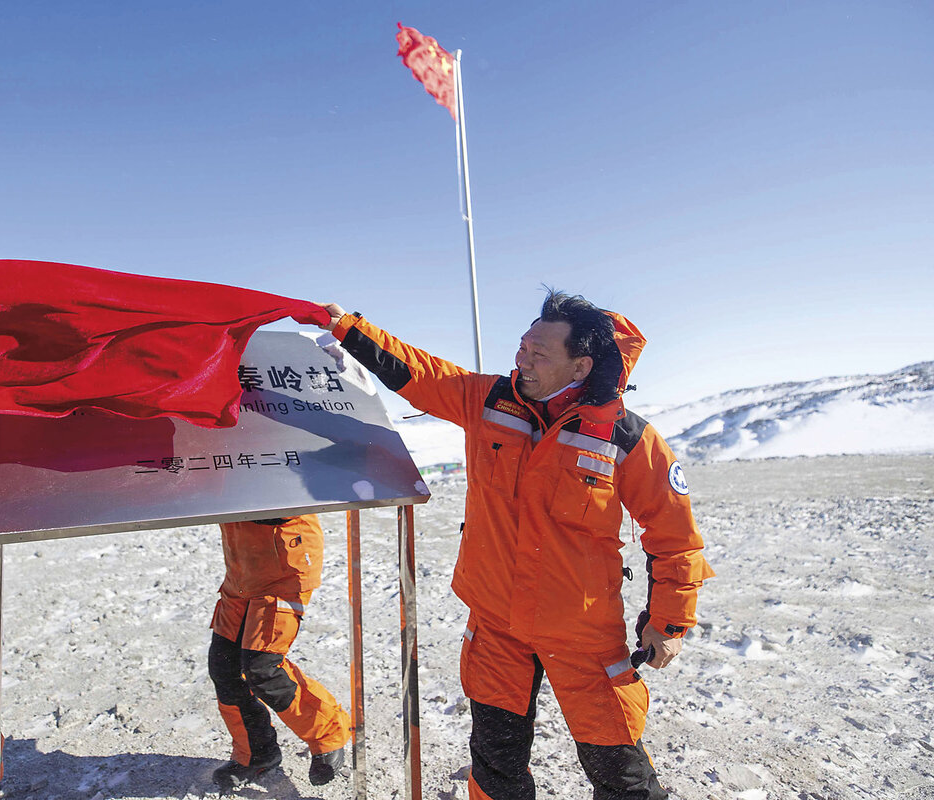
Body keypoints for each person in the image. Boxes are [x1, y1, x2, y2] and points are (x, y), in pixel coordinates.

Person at [313, 292, 715, 799]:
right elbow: (421, 375)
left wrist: (669, 621)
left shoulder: (627, 439)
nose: (521, 359)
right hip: (497, 624)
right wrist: (349, 328)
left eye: (538, 353)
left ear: (581, 365)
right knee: (496, 763)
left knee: (620, 771)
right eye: (522, 346)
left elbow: (675, 538)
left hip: (582, 633)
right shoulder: (489, 402)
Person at [207, 514, 351, 790]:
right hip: (242, 569)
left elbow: (302, 479)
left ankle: (329, 732)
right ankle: (256, 752)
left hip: (284, 564)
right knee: (225, 667)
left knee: (263, 668)